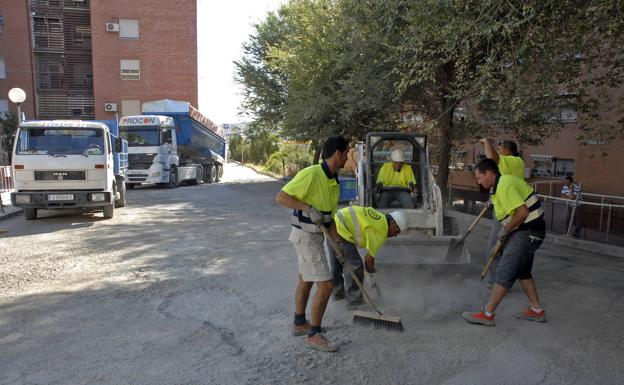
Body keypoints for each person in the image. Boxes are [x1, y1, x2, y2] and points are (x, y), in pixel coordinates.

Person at [275, 135, 349, 353]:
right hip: (305, 236)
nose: (348, 157)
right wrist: (307, 208)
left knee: (306, 280)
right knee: (326, 286)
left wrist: (338, 243)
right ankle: (314, 335)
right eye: (347, 153)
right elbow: (281, 197)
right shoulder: (311, 173)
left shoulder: (333, 180)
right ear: (338, 153)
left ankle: (299, 324)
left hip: (314, 236)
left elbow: (330, 218)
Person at [462, 158, 547, 326]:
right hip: (527, 231)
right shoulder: (498, 187)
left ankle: (487, 314)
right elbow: (509, 211)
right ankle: (537, 310)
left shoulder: (504, 184)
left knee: (504, 270)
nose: (478, 181)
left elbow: (522, 213)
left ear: (488, 173)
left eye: (479, 177)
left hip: (527, 231)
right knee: (522, 271)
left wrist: (503, 233)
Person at [330, 206, 407, 304]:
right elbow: (368, 260)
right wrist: (371, 275)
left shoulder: (380, 218)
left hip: (333, 223)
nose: (395, 235)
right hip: (342, 230)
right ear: (393, 224)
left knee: (336, 262)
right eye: (397, 232)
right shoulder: (381, 230)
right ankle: (355, 301)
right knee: (356, 265)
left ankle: (338, 294)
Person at [479, 138, 525, 285]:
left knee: (494, 246)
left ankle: (496, 282)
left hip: (508, 213)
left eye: (500, 148)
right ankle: (501, 280)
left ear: (507, 150)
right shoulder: (508, 166)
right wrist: (492, 199)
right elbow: (499, 182)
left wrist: (486, 142)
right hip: (504, 208)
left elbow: (492, 158)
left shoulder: (514, 161)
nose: (498, 151)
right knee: (503, 247)